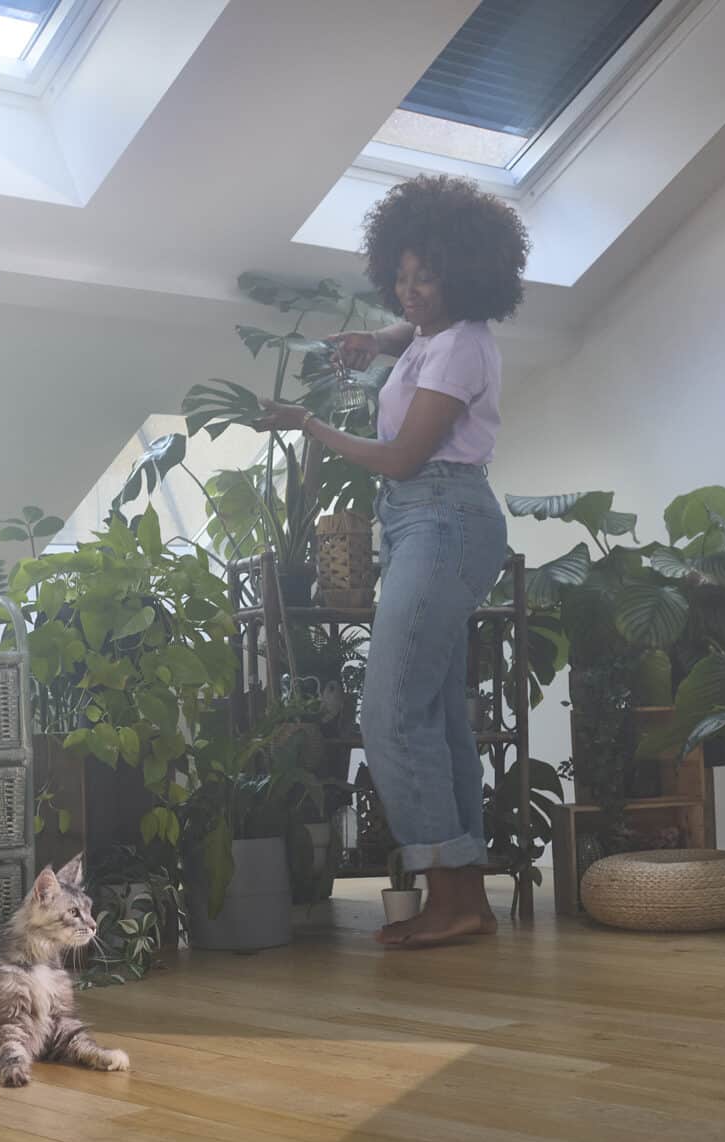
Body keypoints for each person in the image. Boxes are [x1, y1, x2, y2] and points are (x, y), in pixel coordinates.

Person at [260, 175, 529, 948]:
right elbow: (409, 337)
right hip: (427, 523)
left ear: (466, 275)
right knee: (440, 717)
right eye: (402, 278)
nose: (410, 293)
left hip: (440, 515)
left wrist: (308, 423)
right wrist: (372, 341)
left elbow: (404, 458)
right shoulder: (437, 334)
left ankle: (450, 894)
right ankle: (465, 899)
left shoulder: (465, 345)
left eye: (427, 278)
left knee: (390, 712)